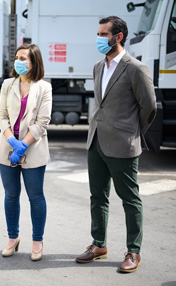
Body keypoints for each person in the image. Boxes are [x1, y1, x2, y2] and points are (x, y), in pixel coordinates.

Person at [75, 16, 157, 273]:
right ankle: (99, 244)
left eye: (103, 34)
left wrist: (133, 132)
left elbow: (149, 107)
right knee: (97, 196)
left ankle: (134, 251)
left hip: (123, 143)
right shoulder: (99, 66)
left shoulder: (135, 68)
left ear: (118, 36)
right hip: (96, 141)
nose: (99, 39)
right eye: (98, 34)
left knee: (129, 198)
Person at [0, 43, 52, 261]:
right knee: (11, 195)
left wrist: (23, 145)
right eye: (17, 57)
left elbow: (42, 122)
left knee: (36, 197)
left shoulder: (44, 87)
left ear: (34, 62)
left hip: (33, 149)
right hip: (7, 147)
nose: (18, 61)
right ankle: (12, 237)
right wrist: (12, 142)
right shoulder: (8, 84)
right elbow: (1, 115)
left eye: (23, 58)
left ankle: (37, 241)